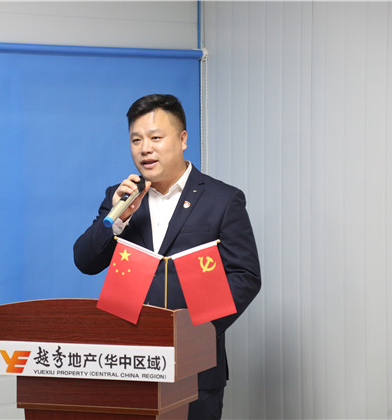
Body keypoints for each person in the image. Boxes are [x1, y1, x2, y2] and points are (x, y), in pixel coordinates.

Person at [73, 94, 261, 419]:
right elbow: (85, 261)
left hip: (196, 366)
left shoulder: (222, 199)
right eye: (136, 140)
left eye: (156, 137)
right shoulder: (121, 197)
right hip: (130, 364)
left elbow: (245, 276)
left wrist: (197, 331)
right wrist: (117, 219)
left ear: (183, 139)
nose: (145, 148)